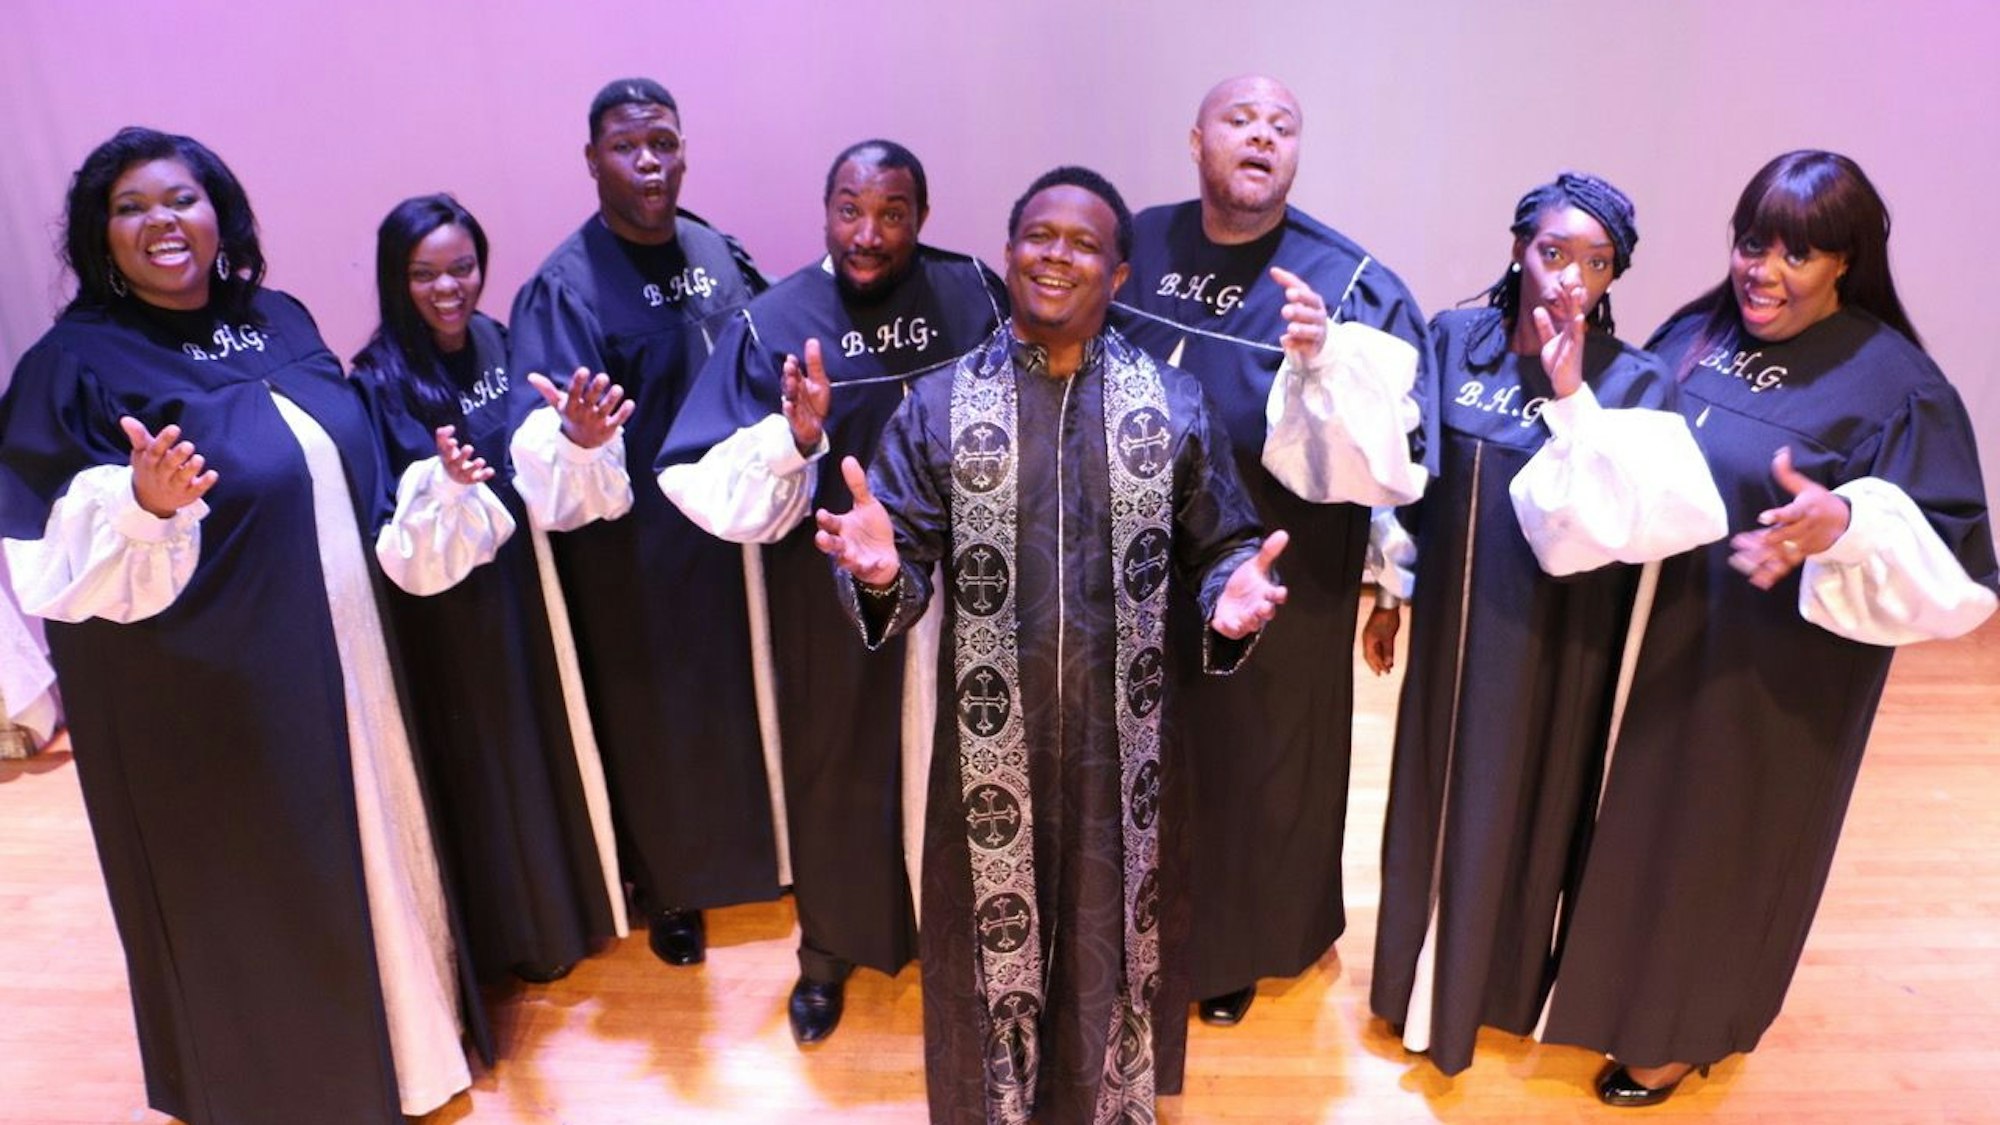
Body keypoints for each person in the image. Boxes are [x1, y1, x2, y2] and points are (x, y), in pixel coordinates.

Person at [0, 127, 501, 1124]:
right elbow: (47, 559)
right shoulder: (75, 364)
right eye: (131, 207)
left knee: (366, 835)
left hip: (349, 651)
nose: (162, 223)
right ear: (100, 237)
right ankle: (303, 1086)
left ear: (219, 211)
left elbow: (340, 462)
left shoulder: (278, 319)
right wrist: (138, 504)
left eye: (180, 199)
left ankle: (408, 1047)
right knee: (270, 888)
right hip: (211, 697)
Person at [815, 165, 1289, 1125]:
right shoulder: (942, 403)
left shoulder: (1176, 404)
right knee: (992, 951)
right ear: (1008, 250)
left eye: (1082, 244)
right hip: (993, 752)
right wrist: (875, 572)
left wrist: (1230, 594)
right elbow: (899, 552)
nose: (1055, 255)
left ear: (1116, 276)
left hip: (1130, 748)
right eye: (1038, 235)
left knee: (1115, 938)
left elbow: (1224, 541)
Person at [1538, 151, 1997, 1106]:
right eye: (1754, 244)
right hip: (1649, 638)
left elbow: (1959, 571)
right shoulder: (1696, 335)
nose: (1765, 271)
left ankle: (1681, 1030)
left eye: (1798, 253)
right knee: (1632, 826)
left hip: (1771, 674)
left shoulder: (1895, 386)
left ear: (1847, 262)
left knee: (1718, 842)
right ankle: (1603, 992)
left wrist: (1847, 522)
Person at [1362, 173, 1724, 1077]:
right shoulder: (1457, 341)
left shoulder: (1635, 378)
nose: (1570, 278)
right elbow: (1418, 486)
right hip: (1452, 631)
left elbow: (1628, 524)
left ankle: (1495, 994)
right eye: (1554, 253)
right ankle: (1412, 987)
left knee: (1517, 804)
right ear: (1519, 246)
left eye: (1595, 263)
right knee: (1430, 794)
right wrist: (1392, 593)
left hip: (1554, 644)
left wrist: (1573, 398)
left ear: (1615, 276)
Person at [657, 139, 1006, 1043]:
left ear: (921, 218)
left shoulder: (969, 290)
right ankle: (829, 949)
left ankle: (966, 940)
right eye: (850, 208)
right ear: (825, 211)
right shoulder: (777, 319)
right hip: (831, 596)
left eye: (892, 212)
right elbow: (695, 475)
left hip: (963, 588)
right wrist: (791, 437)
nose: (869, 231)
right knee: (836, 768)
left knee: (964, 762)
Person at [1110, 73, 1433, 1029]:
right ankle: (1133, 918)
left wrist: (1326, 362)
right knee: (1145, 746)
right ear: (1196, 139)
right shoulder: (1139, 242)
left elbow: (1399, 454)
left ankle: (1240, 945)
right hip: (1141, 559)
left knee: (1258, 758)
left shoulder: (1351, 282)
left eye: (1282, 127)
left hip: (1280, 569)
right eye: (1240, 122)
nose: (1261, 139)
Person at [507, 77, 775, 966]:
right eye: (627, 146)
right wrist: (576, 438)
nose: (648, 161)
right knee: (658, 715)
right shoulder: (566, 287)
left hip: (734, 537)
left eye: (663, 141)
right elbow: (544, 439)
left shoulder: (713, 249)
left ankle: (764, 852)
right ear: (593, 161)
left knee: (744, 695)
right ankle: (673, 885)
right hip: (639, 549)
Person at [353, 193, 628, 986]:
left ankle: (576, 909)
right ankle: (522, 934)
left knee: (552, 738)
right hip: (455, 610)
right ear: (395, 279)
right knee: (493, 763)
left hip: (528, 582)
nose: (449, 288)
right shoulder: (378, 380)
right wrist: (440, 485)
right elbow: (391, 524)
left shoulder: (502, 342)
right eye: (425, 274)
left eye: (463, 267)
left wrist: (580, 440)